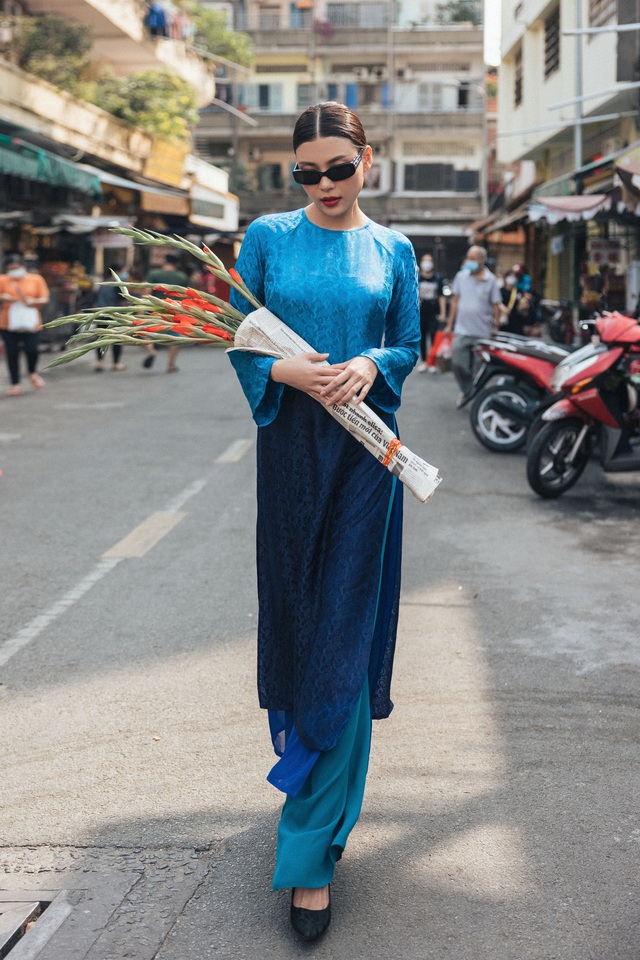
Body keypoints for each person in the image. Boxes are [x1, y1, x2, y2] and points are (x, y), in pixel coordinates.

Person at [228, 101, 419, 942]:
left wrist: (370, 363)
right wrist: (289, 373)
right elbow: (237, 339)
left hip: (367, 460)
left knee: (346, 630)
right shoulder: (267, 237)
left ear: (367, 162)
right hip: (292, 460)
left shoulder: (395, 249)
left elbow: (409, 342)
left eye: (339, 167)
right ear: (292, 174)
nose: (326, 184)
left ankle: (308, 858)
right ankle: (323, 799)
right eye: (308, 171)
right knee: (302, 626)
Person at [443, 245, 501, 406]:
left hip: (482, 332)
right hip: (462, 329)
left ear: (482, 260)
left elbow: (496, 305)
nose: (469, 261)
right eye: (468, 257)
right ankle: (468, 391)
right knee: (458, 363)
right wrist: (449, 324)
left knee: (479, 369)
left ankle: (477, 399)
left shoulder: (491, 280)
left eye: (473, 258)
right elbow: (455, 301)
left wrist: (496, 326)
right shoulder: (461, 277)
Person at [0, 254, 50, 397]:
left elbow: (45, 298)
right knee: (12, 353)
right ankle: (15, 383)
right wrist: (3, 297)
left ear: (23, 266)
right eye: (10, 268)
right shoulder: (3, 280)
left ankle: (32, 371)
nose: (13, 271)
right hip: (7, 323)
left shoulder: (36, 279)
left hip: (31, 321)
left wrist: (31, 301)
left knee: (32, 350)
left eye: (15, 268)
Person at [143, 252, 189, 372]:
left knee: (146, 332)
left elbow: (147, 293)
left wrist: (141, 309)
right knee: (175, 338)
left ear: (165, 261)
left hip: (155, 310)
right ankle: (171, 364)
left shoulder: (153, 274)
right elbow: (185, 296)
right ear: (177, 264)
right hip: (174, 311)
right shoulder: (182, 276)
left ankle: (151, 351)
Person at [94, 265, 129, 372]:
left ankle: (99, 362)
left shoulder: (102, 284)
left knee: (101, 339)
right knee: (116, 339)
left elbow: (96, 299)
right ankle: (116, 363)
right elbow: (123, 300)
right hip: (114, 316)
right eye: (123, 271)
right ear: (116, 272)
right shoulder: (117, 285)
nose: (125, 274)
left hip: (101, 314)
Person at [416, 253, 446, 373]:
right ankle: (424, 361)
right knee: (422, 338)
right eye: (425, 260)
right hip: (421, 311)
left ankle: (433, 362)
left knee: (433, 336)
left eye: (429, 261)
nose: (427, 263)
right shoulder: (417, 277)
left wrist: (443, 313)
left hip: (434, 311)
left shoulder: (437, 278)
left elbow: (441, 297)